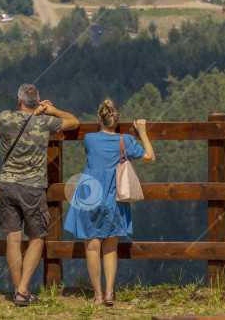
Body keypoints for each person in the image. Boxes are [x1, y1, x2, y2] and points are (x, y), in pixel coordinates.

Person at [63, 98, 155, 306]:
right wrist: (141, 132)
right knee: (110, 247)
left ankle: (96, 295)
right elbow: (150, 156)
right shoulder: (127, 141)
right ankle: (109, 293)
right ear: (118, 119)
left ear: (100, 117)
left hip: (89, 196)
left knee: (92, 247)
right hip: (113, 198)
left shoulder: (89, 139)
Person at [0, 83, 80, 307]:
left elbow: (17, 119)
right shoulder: (45, 123)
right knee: (37, 238)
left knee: (13, 238)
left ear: (19, 101)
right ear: (38, 101)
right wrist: (52, 111)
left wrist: (33, 111)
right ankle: (23, 290)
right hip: (33, 188)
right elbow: (74, 122)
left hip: (8, 185)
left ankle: (18, 290)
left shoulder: (5, 118)